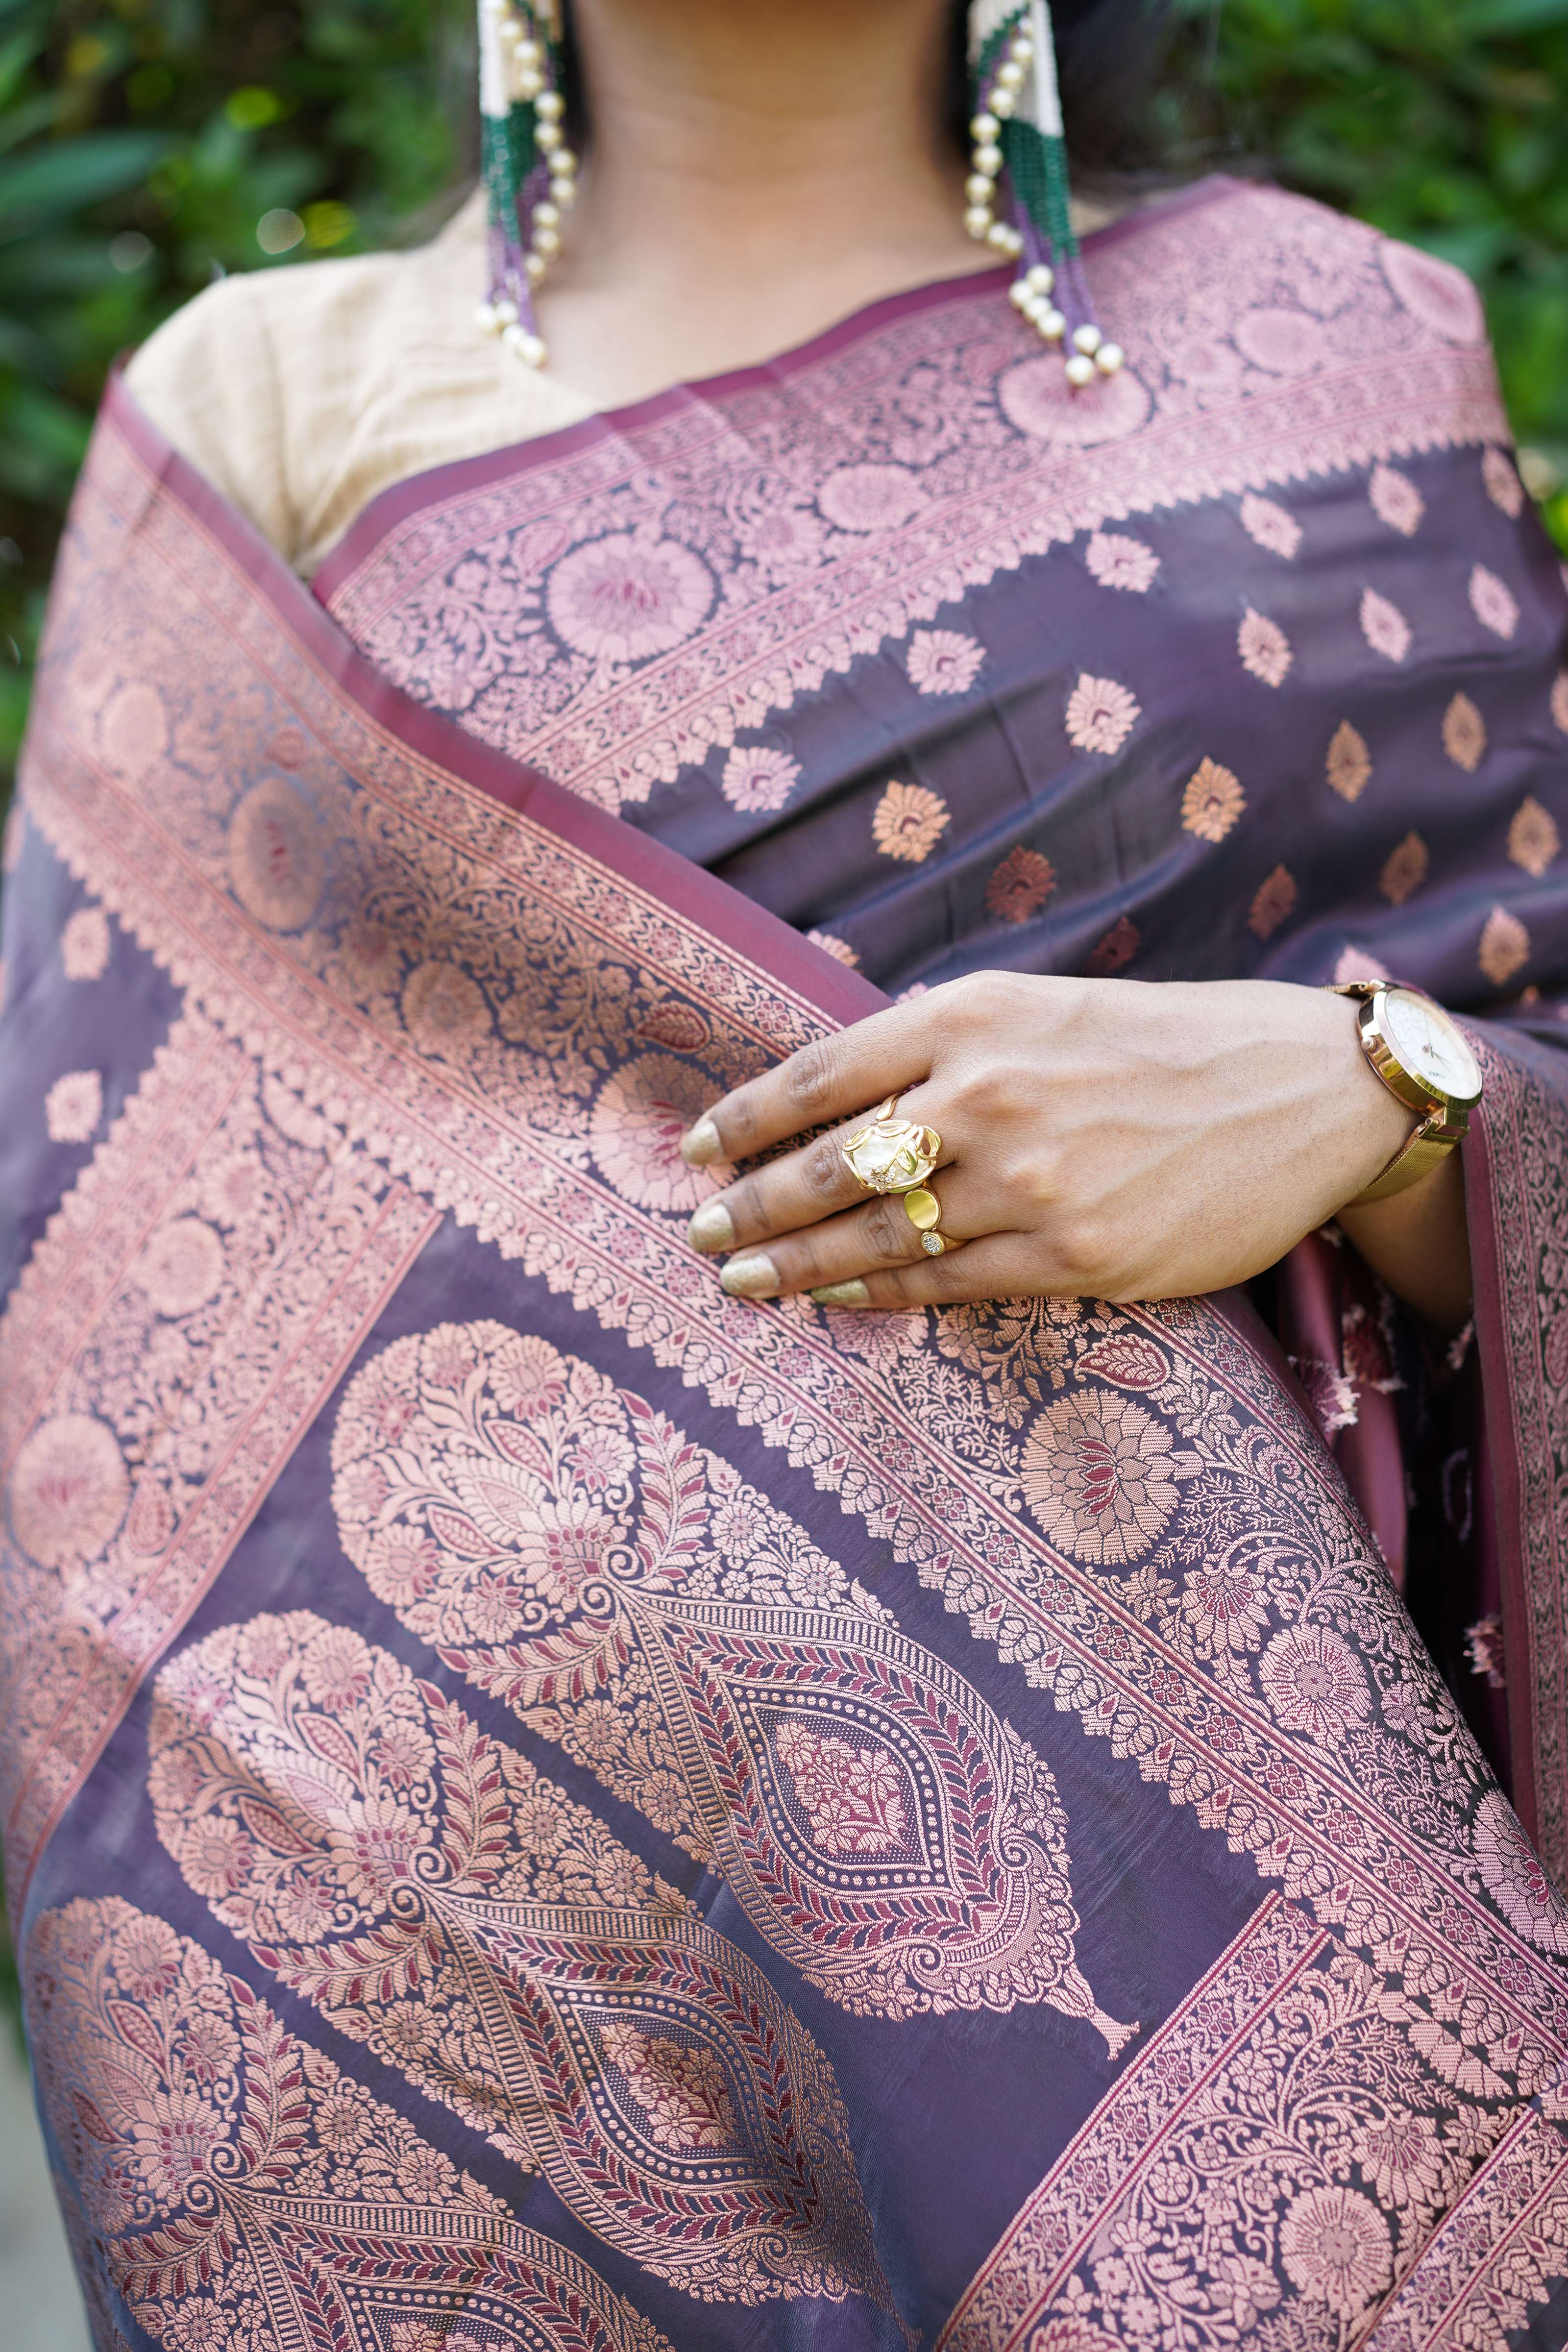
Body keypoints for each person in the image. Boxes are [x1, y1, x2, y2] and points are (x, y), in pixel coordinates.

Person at [4, 2, 1568, 2345]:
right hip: (487, 2002)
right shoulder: (274, 411)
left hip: (1274, 2002)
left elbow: (1504, 1017)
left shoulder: (1321, 334)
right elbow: (97, 1369)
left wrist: (1371, 1096)